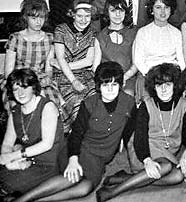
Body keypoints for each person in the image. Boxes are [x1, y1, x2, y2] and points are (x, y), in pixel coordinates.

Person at [14, 62, 136, 202]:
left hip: (99, 159)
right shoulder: (89, 104)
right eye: (105, 85)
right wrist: (73, 160)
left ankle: (35, 200)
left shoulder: (129, 103)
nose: (109, 90)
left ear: (120, 86)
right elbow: (76, 135)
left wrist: (144, 159)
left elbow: (130, 134)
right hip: (80, 150)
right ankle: (23, 199)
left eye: (114, 85)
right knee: (74, 178)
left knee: (85, 188)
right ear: (98, 86)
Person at [95, 63, 186, 201]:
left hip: (166, 150)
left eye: (167, 84)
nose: (163, 89)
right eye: (158, 85)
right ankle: (113, 192)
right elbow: (139, 136)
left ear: (175, 85)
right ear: (154, 88)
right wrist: (147, 160)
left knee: (178, 176)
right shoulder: (147, 105)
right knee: (166, 166)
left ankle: (125, 178)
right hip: (142, 148)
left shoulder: (183, 104)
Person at [0, 69, 65, 200]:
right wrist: (9, 162)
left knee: (9, 183)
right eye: (16, 89)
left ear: (33, 87)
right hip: (27, 159)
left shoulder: (47, 107)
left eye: (25, 87)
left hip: (48, 163)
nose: (20, 93)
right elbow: (7, 143)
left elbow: (46, 145)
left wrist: (15, 155)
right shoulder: (15, 111)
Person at [3, 0, 63, 109]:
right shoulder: (15, 38)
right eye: (34, 18)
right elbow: (8, 73)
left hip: (39, 79)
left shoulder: (49, 38)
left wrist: (47, 78)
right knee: (18, 106)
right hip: (17, 79)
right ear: (26, 18)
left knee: (51, 104)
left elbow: (48, 69)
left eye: (42, 18)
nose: (38, 22)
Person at [51, 0, 97, 132]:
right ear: (72, 15)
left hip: (86, 76)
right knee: (77, 104)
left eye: (87, 16)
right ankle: (76, 140)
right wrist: (73, 80)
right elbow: (60, 57)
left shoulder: (93, 33)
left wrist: (61, 64)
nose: (83, 20)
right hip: (64, 77)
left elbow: (88, 61)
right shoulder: (61, 30)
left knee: (96, 103)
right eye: (80, 16)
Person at [92, 0, 138, 95]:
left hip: (128, 78)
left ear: (125, 13)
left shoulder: (133, 33)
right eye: (113, 10)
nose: (117, 14)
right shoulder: (100, 36)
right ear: (107, 13)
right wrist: (108, 82)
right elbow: (95, 67)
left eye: (121, 10)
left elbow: (136, 64)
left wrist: (124, 78)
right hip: (107, 80)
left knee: (127, 95)